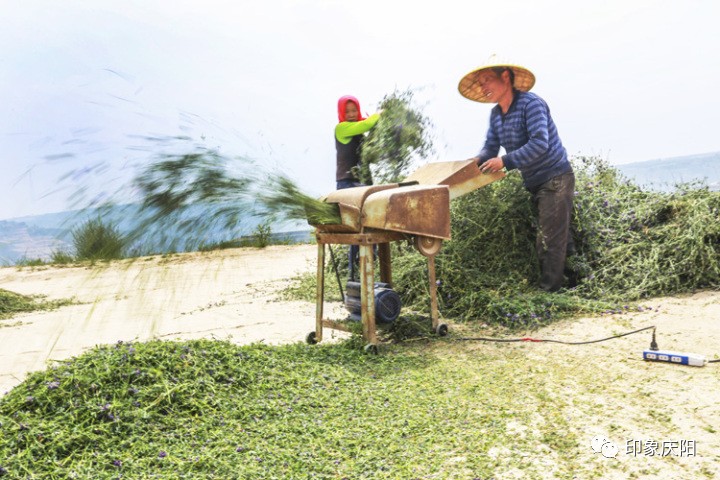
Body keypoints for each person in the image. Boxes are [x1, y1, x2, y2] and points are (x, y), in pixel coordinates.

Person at [458, 60, 575, 292]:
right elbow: (490, 148)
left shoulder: (531, 105)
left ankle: (549, 294)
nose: (483, 88)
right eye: (480, 84)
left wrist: (505, 161)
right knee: (561, 236)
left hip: (555, 178)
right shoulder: (496, 115)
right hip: (535, 182)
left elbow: (540, 144)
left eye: (487, 80)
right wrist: (475, 161)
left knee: (548, 240)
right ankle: (576, 283)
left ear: (505, 78)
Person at [334, 95, 381, 279]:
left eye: (354, 111)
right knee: (357, 231)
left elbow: (371, 154)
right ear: (341, 113)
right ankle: (355, 276)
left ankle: (369, 271)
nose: (352, 114)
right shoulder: (342, 128)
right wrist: (379, 115)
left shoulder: (360, 135)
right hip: (348, 185)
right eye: (348, 111)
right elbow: (367, 124)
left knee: (370, 227)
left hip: (362, 185)